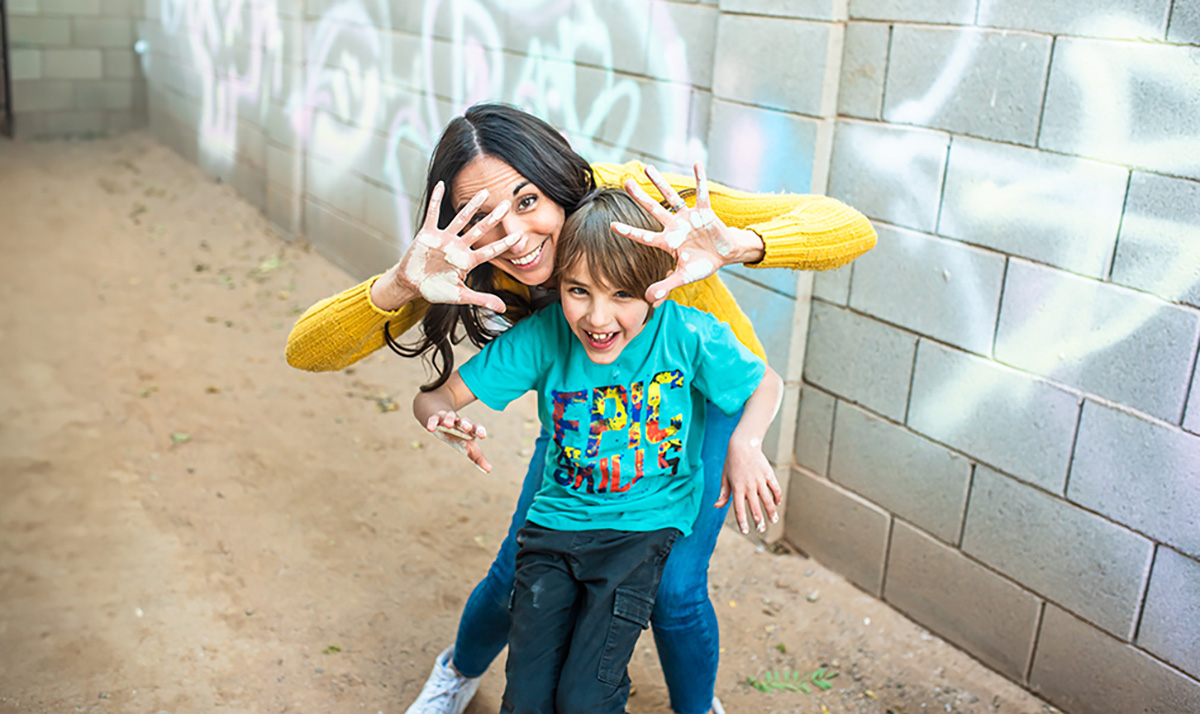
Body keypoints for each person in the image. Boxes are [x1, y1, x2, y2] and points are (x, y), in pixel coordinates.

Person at [285, 103, 877, 714]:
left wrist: (743, 244)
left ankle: (697, 707)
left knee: (675, 591)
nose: (512, 235)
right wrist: (400, 284)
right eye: (482, 218)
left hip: (706, 397)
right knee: (521, 565)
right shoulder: (460, 261)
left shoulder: (635, 201)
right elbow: (306, 350)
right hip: (585, 406)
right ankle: (457, 672)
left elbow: (848, 226)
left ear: (562, 178)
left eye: (526, 200)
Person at [412, 188, 785, 713]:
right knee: (527, 697)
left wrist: (746, 443)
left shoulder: (686, 333)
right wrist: (440, 418)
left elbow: (764, 382)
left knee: (589, 693)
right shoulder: (547, 335)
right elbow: (435, 396)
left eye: (622, 296)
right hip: (556, 528)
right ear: (558, 283)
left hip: (640, 533)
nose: (598, 317)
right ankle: (458, 673)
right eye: (579, 291)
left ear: (657, 289)